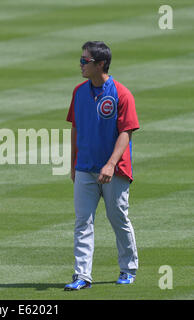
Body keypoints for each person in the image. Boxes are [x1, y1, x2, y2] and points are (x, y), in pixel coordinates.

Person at [65, 41, 139, 290]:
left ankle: (128, 269)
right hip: (85, 167)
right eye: (81, 59)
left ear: (101, 64)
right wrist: (73, 162)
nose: (81, 64)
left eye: (86, 61)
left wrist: (110, 164)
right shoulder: (79, 91)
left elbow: (126, 132)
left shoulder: (121, 93)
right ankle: (82, 275)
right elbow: (75, 127)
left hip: (115, 170)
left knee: (118, 217)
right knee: (82, 221)